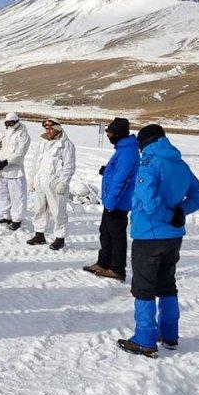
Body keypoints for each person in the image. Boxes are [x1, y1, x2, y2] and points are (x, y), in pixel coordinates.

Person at [117, 124, 199, 357]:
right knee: (167, 284)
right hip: (173, 237)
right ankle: (169, 335)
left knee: (143, 288)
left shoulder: (149, 162)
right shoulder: (180, 164)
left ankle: (145, 340)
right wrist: (180, 212)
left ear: (146, 143)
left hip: (149, 235)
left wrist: (169, 215)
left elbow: (147, 200)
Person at [83, 118, 139, 281]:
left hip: (117, 203)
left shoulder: (128, 152)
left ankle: (117, 269)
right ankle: (103, 263)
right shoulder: (123, 149)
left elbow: (122, 180)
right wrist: (106, 171)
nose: (108, 135)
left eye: (110, 132)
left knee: (116, 236)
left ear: (119, 134)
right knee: (105, 233)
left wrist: (112, 203)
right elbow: (117, 172)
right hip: (112, 201)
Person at [26, 118, 75, 250]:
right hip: (40, 181)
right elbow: (35, 162)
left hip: (55, 184)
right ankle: (39, 234)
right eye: (46, 128)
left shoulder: (65, 144)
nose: (48, 130)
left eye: (50, 128)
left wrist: (64, 182)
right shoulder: (42, 142)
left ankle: (60, 238)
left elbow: (69, 166)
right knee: (39, 208)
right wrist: (32, 179)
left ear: (57, 128)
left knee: (58, 211)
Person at [0, 112, 30, 230]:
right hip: (2, 171)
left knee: (17, 197)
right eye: (7, 123)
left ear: (17, 122)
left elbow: (20, 153)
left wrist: (6, 161)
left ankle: (17, 220)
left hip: (15, 171)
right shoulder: (4, 133)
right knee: (1, 194)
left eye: (11, 123)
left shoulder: (23, 135)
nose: (9, 125)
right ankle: (6, 216)